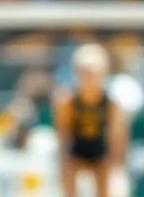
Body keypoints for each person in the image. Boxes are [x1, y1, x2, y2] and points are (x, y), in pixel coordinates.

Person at [54, 43, 128, 197]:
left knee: (108, 180)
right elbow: (63, 135)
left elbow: (117, 138)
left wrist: (117, 168)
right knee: (67, 171)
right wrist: (61, 164)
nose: (91, 79)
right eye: (86, 73)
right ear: (77, 73)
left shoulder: (112, 103)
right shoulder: (67, 101)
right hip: (76, 152)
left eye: (95, 74)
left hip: (100, 153)